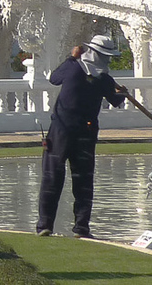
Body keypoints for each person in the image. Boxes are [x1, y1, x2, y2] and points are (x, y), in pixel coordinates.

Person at [36, 35, 128, 238]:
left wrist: (71, 58)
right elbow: (116, 100)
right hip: (85, 135)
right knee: (83, 182)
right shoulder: (104, 79)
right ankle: (81, 227)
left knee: (52, 179)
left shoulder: (73, 67)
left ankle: (45, 225)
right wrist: (124, 92)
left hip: (60, 131)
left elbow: (53, 78)